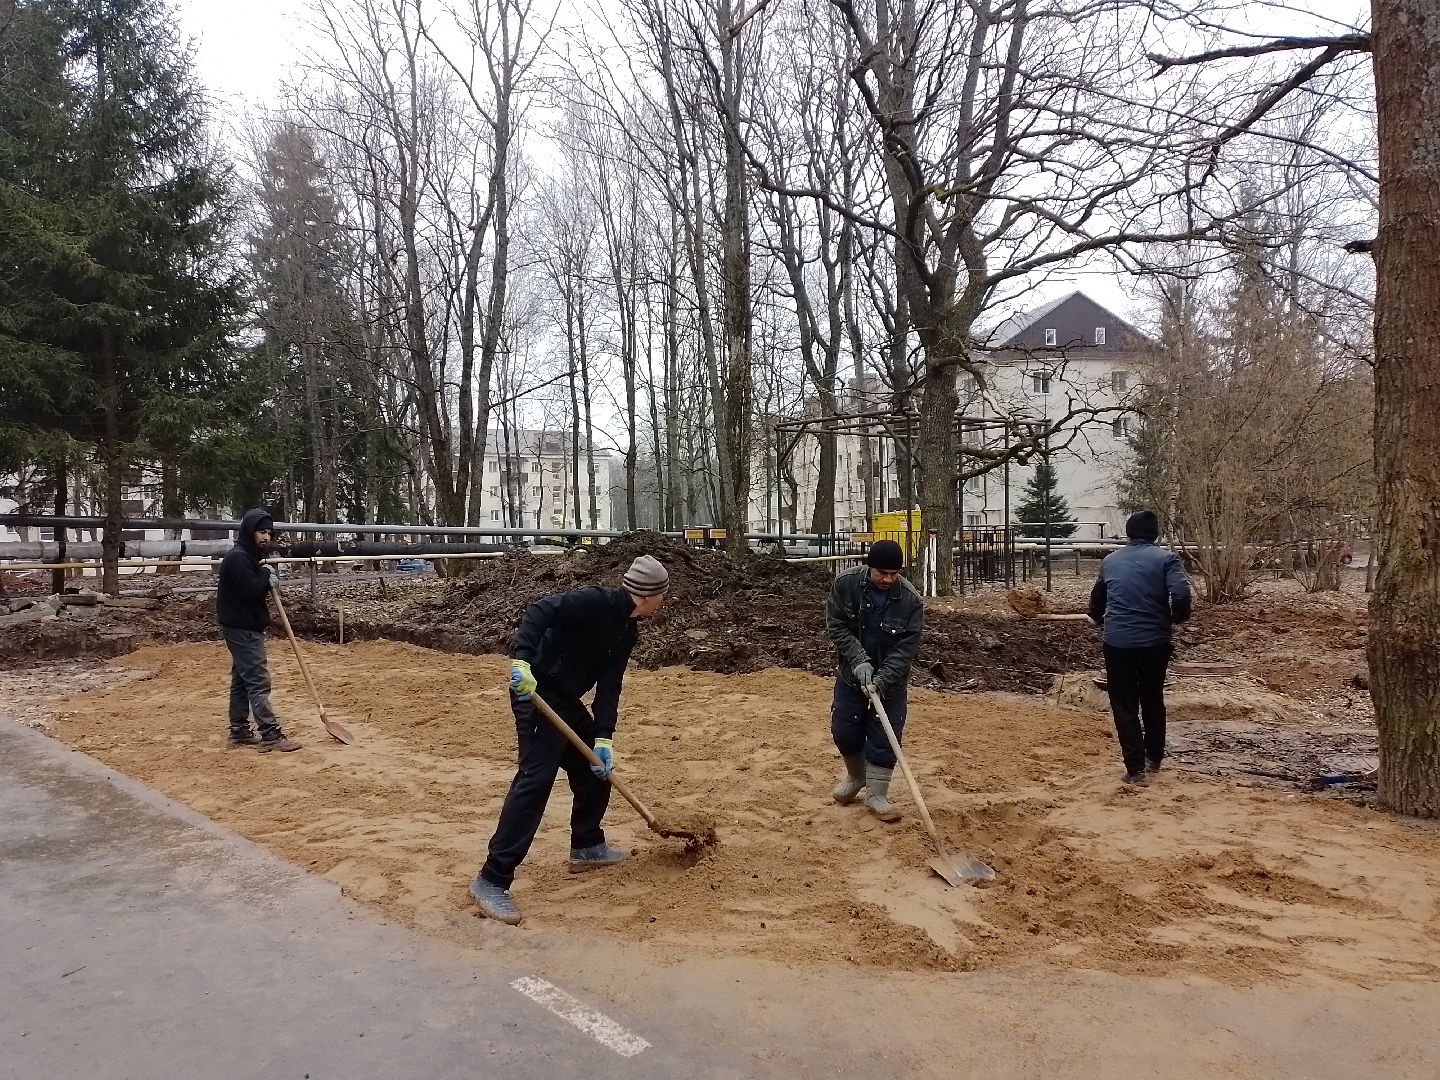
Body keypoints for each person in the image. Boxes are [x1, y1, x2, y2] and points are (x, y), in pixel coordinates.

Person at [469, 554, 670, 925]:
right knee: (536, 779)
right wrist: (522, 661)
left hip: (565, 699)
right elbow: (540, 610)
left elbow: (610, 687)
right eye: (662, 596)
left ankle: (587, 844)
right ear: (648, 595)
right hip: (537, 693)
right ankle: (491, 879)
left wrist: (604, 738)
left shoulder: (628, 631)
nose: (663, 603)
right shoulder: (597, 602)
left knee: (594, 764)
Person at [1088, 510, 1192, 784]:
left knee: (1123, 704)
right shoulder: (1166, 559)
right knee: (1152, 699)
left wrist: (1100, 619)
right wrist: (1175, 618)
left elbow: (1098, 598)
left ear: (1129, 533)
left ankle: (1134, 768)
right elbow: (1181, 594)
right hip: (1154, 642)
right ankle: (1154, 757)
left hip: (1117, 642)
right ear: (1155, 534)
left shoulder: (1110, 561)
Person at [824, 539, 924, 822]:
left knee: (885, 736)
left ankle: (877, 794)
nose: (887, 579)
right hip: (851, 675)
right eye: (882, 573)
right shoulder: (845, 585)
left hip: (891, 683)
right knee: (844, 729)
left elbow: (906, 649)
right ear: (869, 567)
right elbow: (837, 625)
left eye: (894, 574)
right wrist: (859, 661)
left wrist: (882, 679)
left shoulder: (910, 601)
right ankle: (856, 777)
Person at [216, 508, 301, 753]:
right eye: (261, 532)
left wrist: (263, 574)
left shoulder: (248, 556)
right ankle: (270, 734)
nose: (266, 537)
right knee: (257, 679)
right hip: (242, 628)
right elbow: (251, 590)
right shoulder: (239, 558)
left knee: (242, 680)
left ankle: (239, 731)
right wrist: (265, 575)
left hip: (243, 625)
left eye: (268, 533)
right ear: (249, 532)